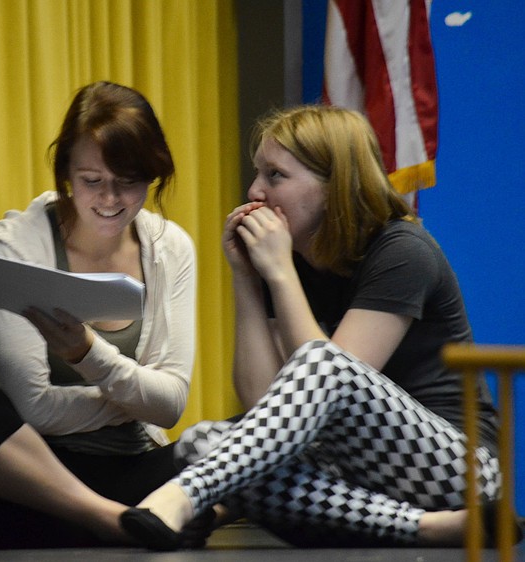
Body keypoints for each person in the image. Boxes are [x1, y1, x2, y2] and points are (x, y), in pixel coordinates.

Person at [119, 104, 510, 550]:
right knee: (202, 442)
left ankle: (184, 493)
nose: (254, 190)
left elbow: (331, 389)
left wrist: (280, 273)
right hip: (360, 475)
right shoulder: (290, 258)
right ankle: (425, 528)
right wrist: (247, 278)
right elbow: (266, 404)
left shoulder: (402, 251)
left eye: (275, 176)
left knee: (325, 362)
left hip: (457, 469)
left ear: (332, 186)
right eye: (258, 174)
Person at [0, 80, 197, 549]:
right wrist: (129, 398)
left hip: (134, 472)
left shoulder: (170, 248)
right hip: (37, 484)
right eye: (92, 181)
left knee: (248, 437)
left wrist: (87, 353)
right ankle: (114, 522)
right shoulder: (19, 245)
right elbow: (32, 406)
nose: (110, 200)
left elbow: (171, 404)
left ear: (153, 176)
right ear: (66, 173)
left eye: (128, 182)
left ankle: (132, 520)